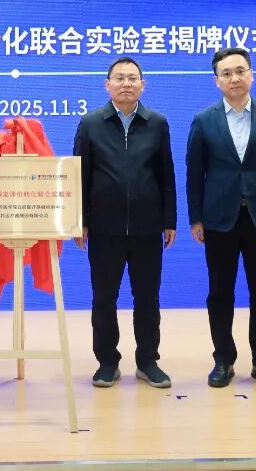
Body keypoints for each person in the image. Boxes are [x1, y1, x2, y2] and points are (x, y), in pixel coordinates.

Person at [186, 47, 256, 391]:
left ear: (251, 75)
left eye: (240, 71)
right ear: (216, 81)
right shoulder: (204, 120)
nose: (234, 78)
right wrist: (195, 218)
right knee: (220, 293)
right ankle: (223, 360)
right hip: (218, 220)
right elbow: (194, 173)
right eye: (227, 73)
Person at [73, 56, 177, 389]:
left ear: (142, 85)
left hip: (148, 228)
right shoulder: (91, 123)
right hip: (104, 229)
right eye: (119, 78)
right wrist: (79, 220)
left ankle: (148, 361)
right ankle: (107, 362)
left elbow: (166, 174)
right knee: (104, 299)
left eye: (133, 78)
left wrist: (169, 220)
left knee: (147, 299)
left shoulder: (157, 123)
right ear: (108, 85)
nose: (126, 83)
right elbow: (79, 176)